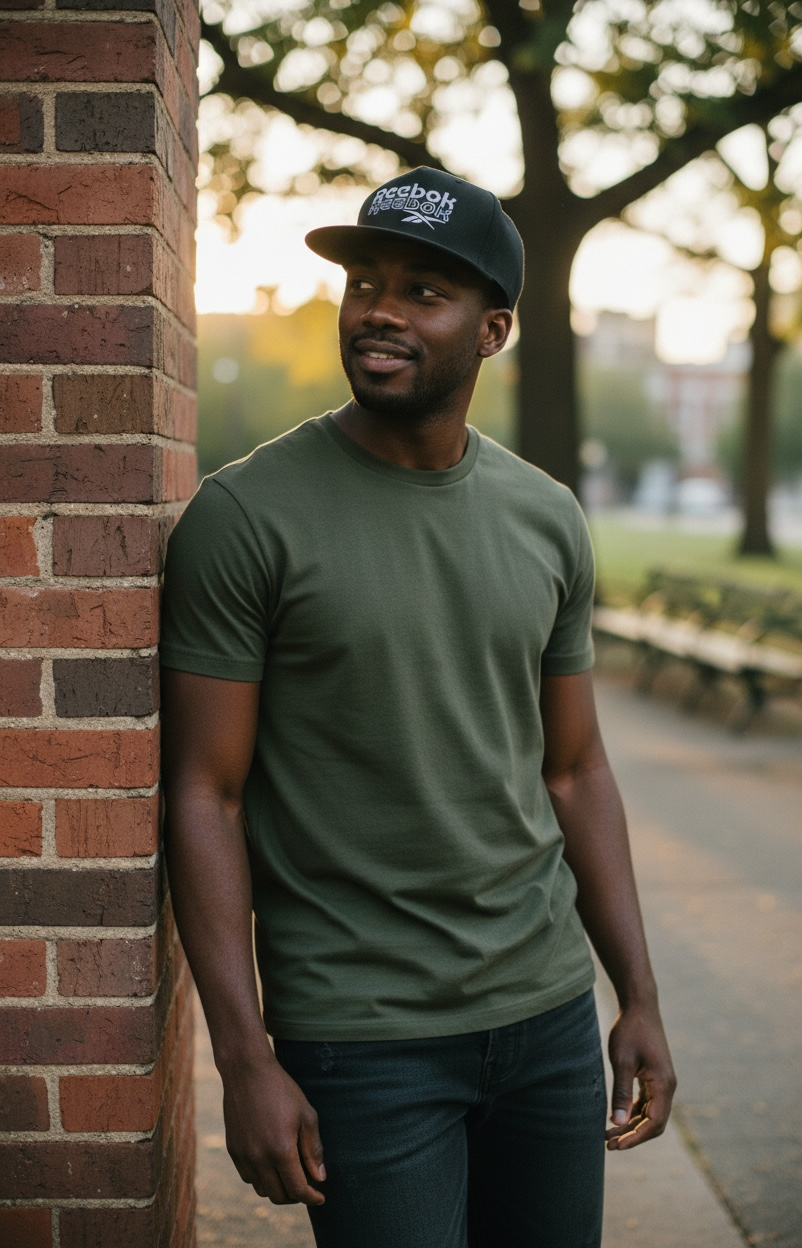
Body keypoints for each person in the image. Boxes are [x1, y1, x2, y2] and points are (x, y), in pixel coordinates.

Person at [160, 167, 676, 1248]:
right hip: (361, 1036)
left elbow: (575, 770)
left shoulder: (546, 518)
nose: (380, 310)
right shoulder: (246, 517)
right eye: (365, 282)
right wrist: (244, 1056)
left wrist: (636, 994)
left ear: (490, 331)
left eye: (422, 291)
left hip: (543, 1018)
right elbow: (205, 793)